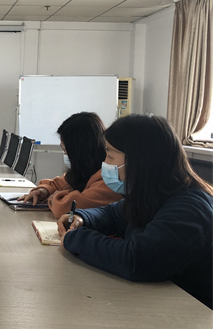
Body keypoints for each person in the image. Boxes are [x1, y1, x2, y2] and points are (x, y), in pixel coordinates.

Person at [58, 114, 213, 308]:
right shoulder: (152, 194)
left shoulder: (190, 207)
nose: (105, 163)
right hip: (157, 300)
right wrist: (82, 218)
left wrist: (75, 238)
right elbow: (111, 214)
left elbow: (137, 260)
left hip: (191, 311)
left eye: (110, 155)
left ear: (139, 160)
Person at [19, 112, 122, 217]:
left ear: (79, 152)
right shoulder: (88, 171)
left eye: (65, 150)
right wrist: (44, 190)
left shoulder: (109, 181)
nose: (65, 155)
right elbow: (58, 183)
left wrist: (54, 197)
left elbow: (66, 208)